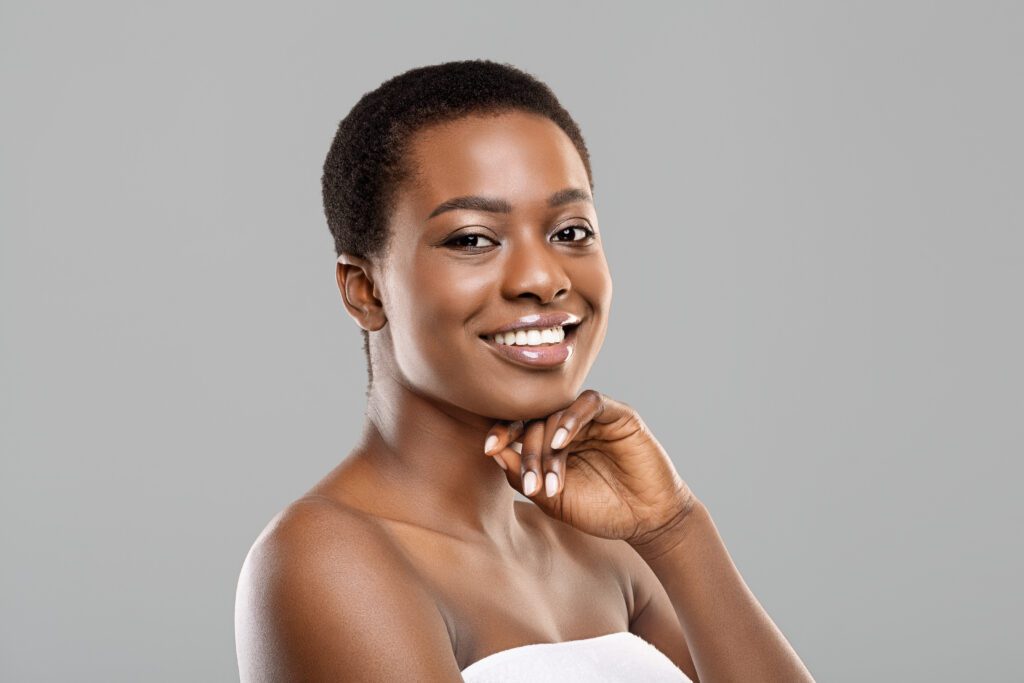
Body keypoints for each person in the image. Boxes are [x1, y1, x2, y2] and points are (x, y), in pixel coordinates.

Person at [234, 59, 815, 682]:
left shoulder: (606, 547)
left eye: (571, 231)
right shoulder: (329, 558)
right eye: (473, 240)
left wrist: (677, 530)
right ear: (365, 290)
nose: (543, 278)